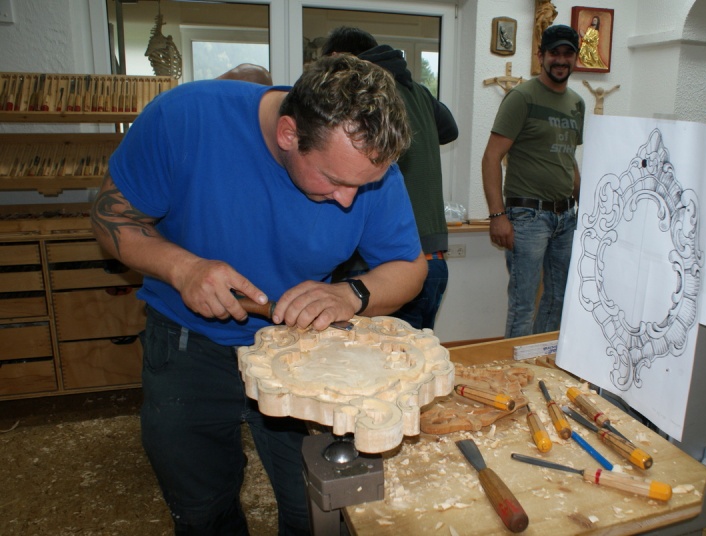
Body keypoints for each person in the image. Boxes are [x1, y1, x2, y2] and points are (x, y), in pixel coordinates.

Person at [90, 54, 426, 535]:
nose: (349, 200)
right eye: (334, 181)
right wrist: (182, 268)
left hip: (302, 352)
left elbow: (409, 267)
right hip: (190, 347)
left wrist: (351, 293)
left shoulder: (367, 166)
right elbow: (111, 217)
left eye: (363, 185)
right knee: (203, 510)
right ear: (289, 134)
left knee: (317, 508)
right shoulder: (184, 119)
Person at [322, 27, 459, 330]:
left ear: (338, 58)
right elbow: (450, 129)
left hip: (382, 270)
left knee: (372, 355)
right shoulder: (418, 92)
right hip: (434, 258)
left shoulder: (360, 98)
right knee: (414, 353)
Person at [482, 24, 585, 338]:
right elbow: (491, 158)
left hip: (566, 217)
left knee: (558, 299)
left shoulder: (577, 104)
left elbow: (568, 160)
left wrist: (588, 208)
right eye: (554, 53)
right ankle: (516, 366)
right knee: (523, 304)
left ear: (576, 58)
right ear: (541, 56)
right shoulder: (521, 98)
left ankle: (541, 361)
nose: (561, 60)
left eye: (568, 54)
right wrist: (497, 216)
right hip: (528, 218)